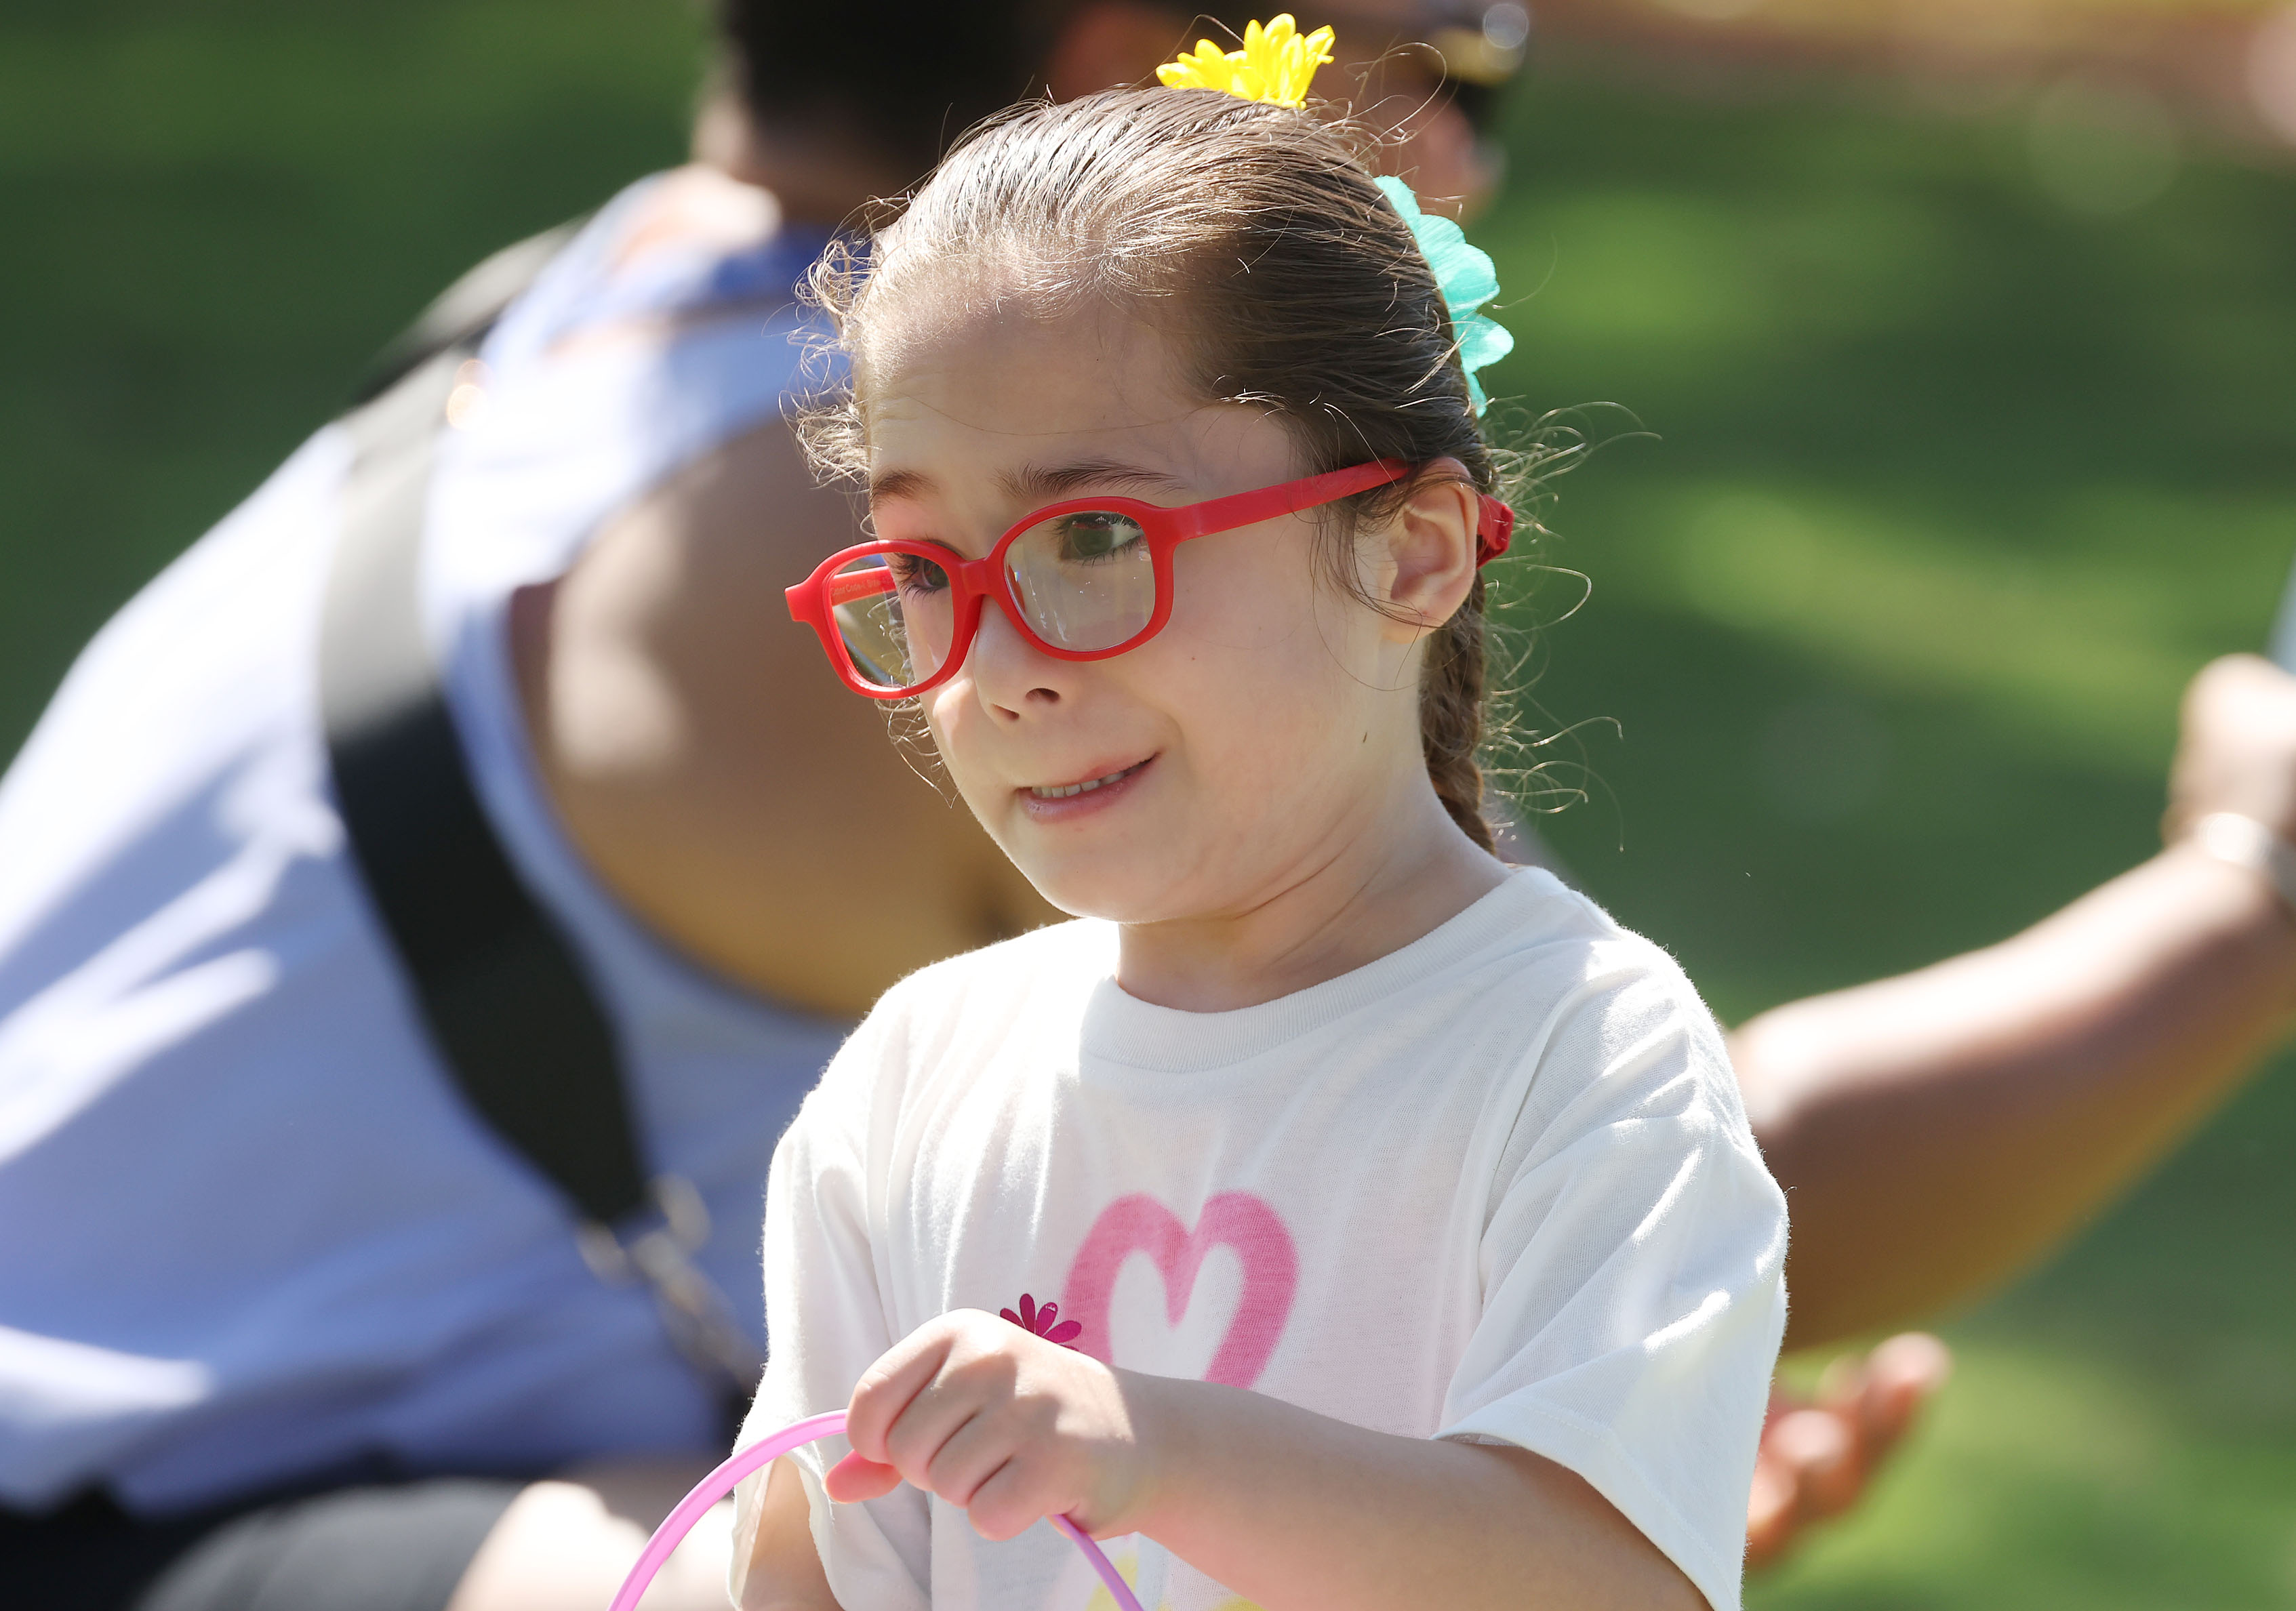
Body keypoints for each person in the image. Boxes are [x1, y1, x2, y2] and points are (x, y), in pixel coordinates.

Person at [731, 68, 1787, 1611]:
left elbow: (1609, 1578)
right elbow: (798, 1573)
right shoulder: (916, 1078)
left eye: (1090, 540)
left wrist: (1158, 1452)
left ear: (1408, 550)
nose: (1002, 662)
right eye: (925, 566)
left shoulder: (1575, 1061)